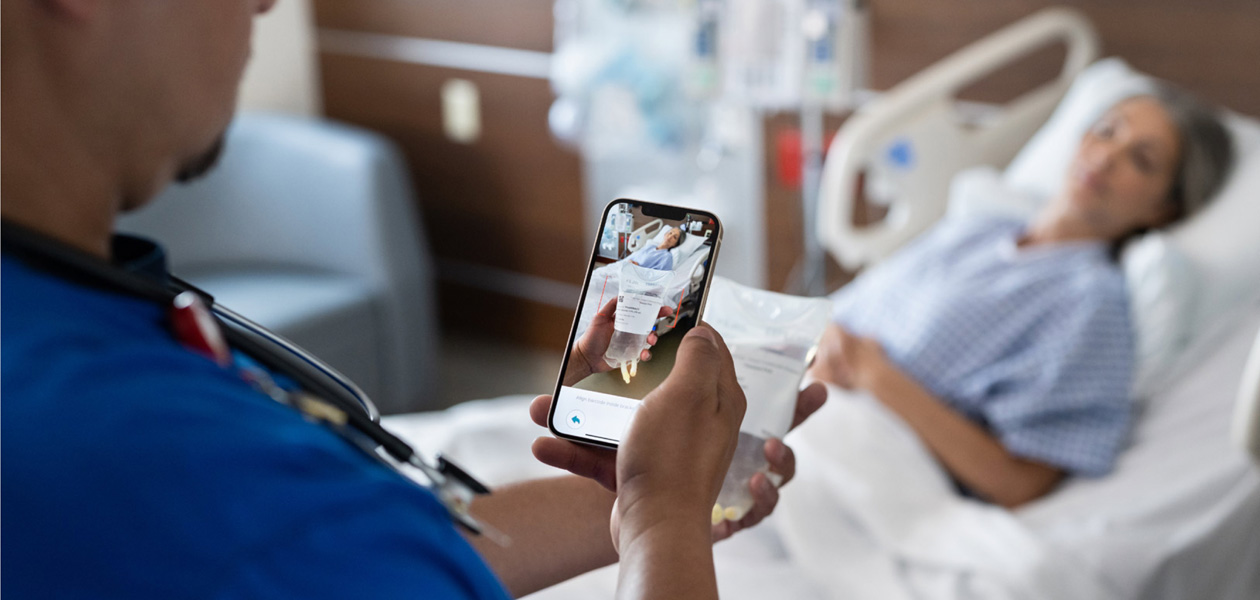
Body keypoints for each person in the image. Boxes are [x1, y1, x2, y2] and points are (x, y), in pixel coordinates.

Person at [0, 1, 826, 599]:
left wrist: (643, 491)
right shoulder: (128, 445)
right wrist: (662, 527)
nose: (265, 4)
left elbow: (348, 559)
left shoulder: (72, 309)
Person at [810, 86, 1234, 508]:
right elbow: (841, 317)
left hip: (859, 457)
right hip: (805, 394)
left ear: (1163, 209)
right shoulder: (980, 231)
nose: (1105, 157)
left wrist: (875, 375)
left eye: (1141, 160)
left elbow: (1018, 482)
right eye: (1106, 131)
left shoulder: (1091, 304)